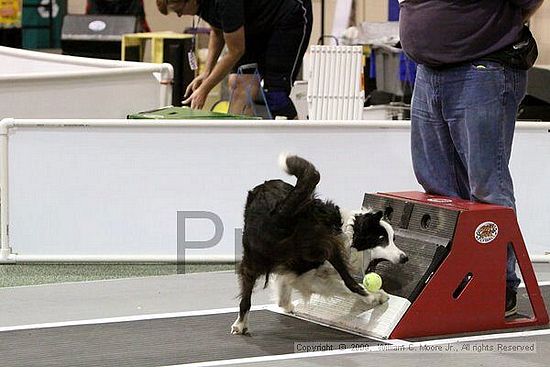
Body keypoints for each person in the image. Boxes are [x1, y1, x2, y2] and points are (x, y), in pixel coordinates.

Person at [399, 0, 544, 317]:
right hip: (429, 70)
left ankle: (496, 287)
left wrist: (487, 28)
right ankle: (459, 281)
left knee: (486, 186)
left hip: (483, 68)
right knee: (437, 187)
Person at [156, 0, 312, 119]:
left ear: (190, 1)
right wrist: (206, 73)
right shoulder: (203, 4)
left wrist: (205, 89)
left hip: (289, 15)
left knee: (275, 95)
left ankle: (302, 148)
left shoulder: (225, 2)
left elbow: (235, 51)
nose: (179, 15)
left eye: (178, 10)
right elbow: (217, 31)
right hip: (257, 20)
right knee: (238, 83)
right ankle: (237, 149)